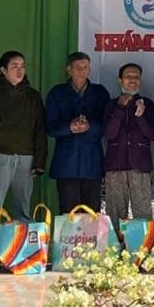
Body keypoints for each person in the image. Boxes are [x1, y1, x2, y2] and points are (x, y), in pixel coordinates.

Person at [0, 51, 47, 223]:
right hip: (0, 156)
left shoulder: (33, 96)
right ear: (3, 70)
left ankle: (21, 239)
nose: (20, 70)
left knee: (22, 208)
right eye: (14, 66)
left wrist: (39, 161)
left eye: (22, 66)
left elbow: (40, 130)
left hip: (26, 157)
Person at [46, 52, 110, 214]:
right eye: (78, 67)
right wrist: (69, 127)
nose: (82, 70)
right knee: (69, 214)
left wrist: (90, 126)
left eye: (85, 67)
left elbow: (108, 126)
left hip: (92, 162)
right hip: (66, 163)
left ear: (90, 69)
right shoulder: (57, 93)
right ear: (69, 69)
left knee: (92, 213)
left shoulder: (100, 92)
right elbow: (50, 126)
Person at [103, 63, 154, 221]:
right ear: (120, 81)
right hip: (116, 164)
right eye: (128, 76)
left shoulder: (147, 103)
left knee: (143, 214)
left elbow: (152, 135)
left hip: (140, 165)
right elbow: (109, 134)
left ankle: (143, 239)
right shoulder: (111, 104)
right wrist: (120, 108)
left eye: (136, 77)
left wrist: (139, 115)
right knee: (115, 214)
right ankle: (115, 239)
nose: (133, 80)